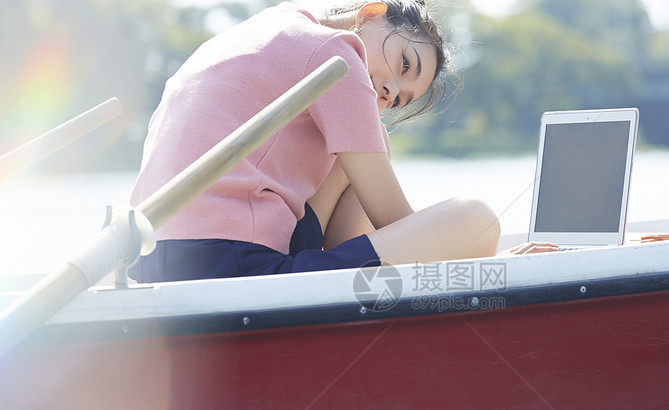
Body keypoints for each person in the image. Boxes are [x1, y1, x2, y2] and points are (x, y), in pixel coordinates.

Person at [129, 0, 532, 283]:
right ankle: (344, 280)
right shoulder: (339, 54)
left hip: (150, 258)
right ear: (371, 13)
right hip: (229, 264)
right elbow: (395, 220)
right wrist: (489, 264)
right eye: (404, 64)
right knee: (478, 219)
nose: (390, 90)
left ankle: (340, 276)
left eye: (401, 97)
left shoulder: (275, 25)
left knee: (359, 154)